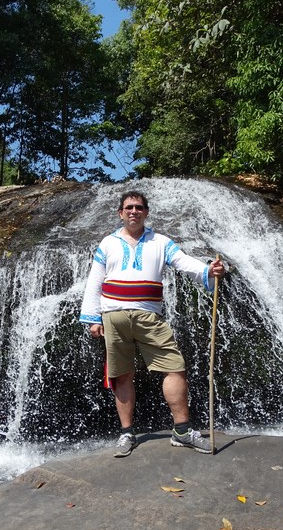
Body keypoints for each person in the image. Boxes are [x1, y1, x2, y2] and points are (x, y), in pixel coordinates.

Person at [79, 190, 226, 457]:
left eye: (138, 207)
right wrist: (92, 318)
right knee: (121, 374)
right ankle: (127, 434)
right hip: (113, 316)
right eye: (128, 208)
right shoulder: (107, 243)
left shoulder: (161, 242)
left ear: (146, 212)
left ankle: (181, 431)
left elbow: (183, 262)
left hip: (149, 317)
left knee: (174, 368)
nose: (133, 211)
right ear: (120, 213)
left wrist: (208, 271)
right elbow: (95, 281)